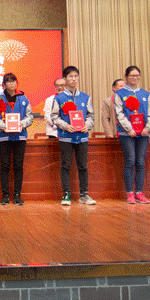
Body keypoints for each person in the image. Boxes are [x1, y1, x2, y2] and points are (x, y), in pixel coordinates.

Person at [51, 66, 94, 205]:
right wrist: (65, 126)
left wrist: (87, 125)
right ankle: (66, 194)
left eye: (76, 76)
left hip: (82, 137)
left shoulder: (85, 97)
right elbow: (54, 117)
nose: (73, 79)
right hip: (66, 137)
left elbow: (91, 115)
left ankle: (84, 194)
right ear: (65, 79)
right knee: (66, 165)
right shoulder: (59, 98)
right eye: (70, 76)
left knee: (83, 166)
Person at [0, 73, 34, 205]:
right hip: (4, 137)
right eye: (8, 82)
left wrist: (21, 124)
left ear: (16, 83)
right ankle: (5, 195)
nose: (11, 84)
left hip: (20, 137)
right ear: (3, 85)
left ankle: (17, 195)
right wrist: (5, 126)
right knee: (5, 166)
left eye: (13, 81)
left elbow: (30, 117)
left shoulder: (23, 99)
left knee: (18, 166)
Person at [114, 67, 150, 204]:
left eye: (137, 75)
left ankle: (139, 192)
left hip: (143, 133)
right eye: (132, 75)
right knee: (130, 160)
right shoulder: (119, 94)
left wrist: (147, 128)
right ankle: (130, 193)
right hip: (127, 134)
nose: (135, 78)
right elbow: (119, 114)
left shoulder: (146, 94)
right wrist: (129, 129)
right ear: (126, 77)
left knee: (141, 162)